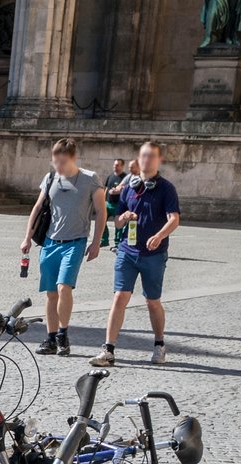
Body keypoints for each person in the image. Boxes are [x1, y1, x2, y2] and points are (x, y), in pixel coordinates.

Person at [91, 140, 180, 367]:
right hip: (127, 251)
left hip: (154, 254)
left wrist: (159, 235)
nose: (146, 160)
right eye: (143, 156)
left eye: (151, 156)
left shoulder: (166, 188)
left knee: (152, 301)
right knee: (119, 297)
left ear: (159, 161)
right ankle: (108, 349)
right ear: (138, 159)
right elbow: (118, 222)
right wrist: (125, 217)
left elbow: (174, 219)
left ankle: (159, 345)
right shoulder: (129, 187)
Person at [18, 138, 105, 356]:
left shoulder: (90, 179)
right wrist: (27, 237)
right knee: (50, 294)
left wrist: (96, 242)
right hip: (50, 242)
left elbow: (102, 212)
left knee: (64, 287)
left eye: (63, 162)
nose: (59, 166)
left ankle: (63, 334)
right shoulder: (50, 179)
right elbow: (37, 208)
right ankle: (50, 338)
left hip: (75, 242)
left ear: (73, 159)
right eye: (55, 161)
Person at [103, 157, 130, 246]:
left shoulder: (125, 178)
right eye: (114, 165)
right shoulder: (110, 176)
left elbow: (127, 191)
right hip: (108, 203)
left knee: (118, 225)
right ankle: (104, 240)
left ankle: (117, 243)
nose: (115, 166)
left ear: (122, 166)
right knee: (102, 221)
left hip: (119, 204)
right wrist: (103, 200)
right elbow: (106, 189)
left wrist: (117, 191)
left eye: (117, 165)